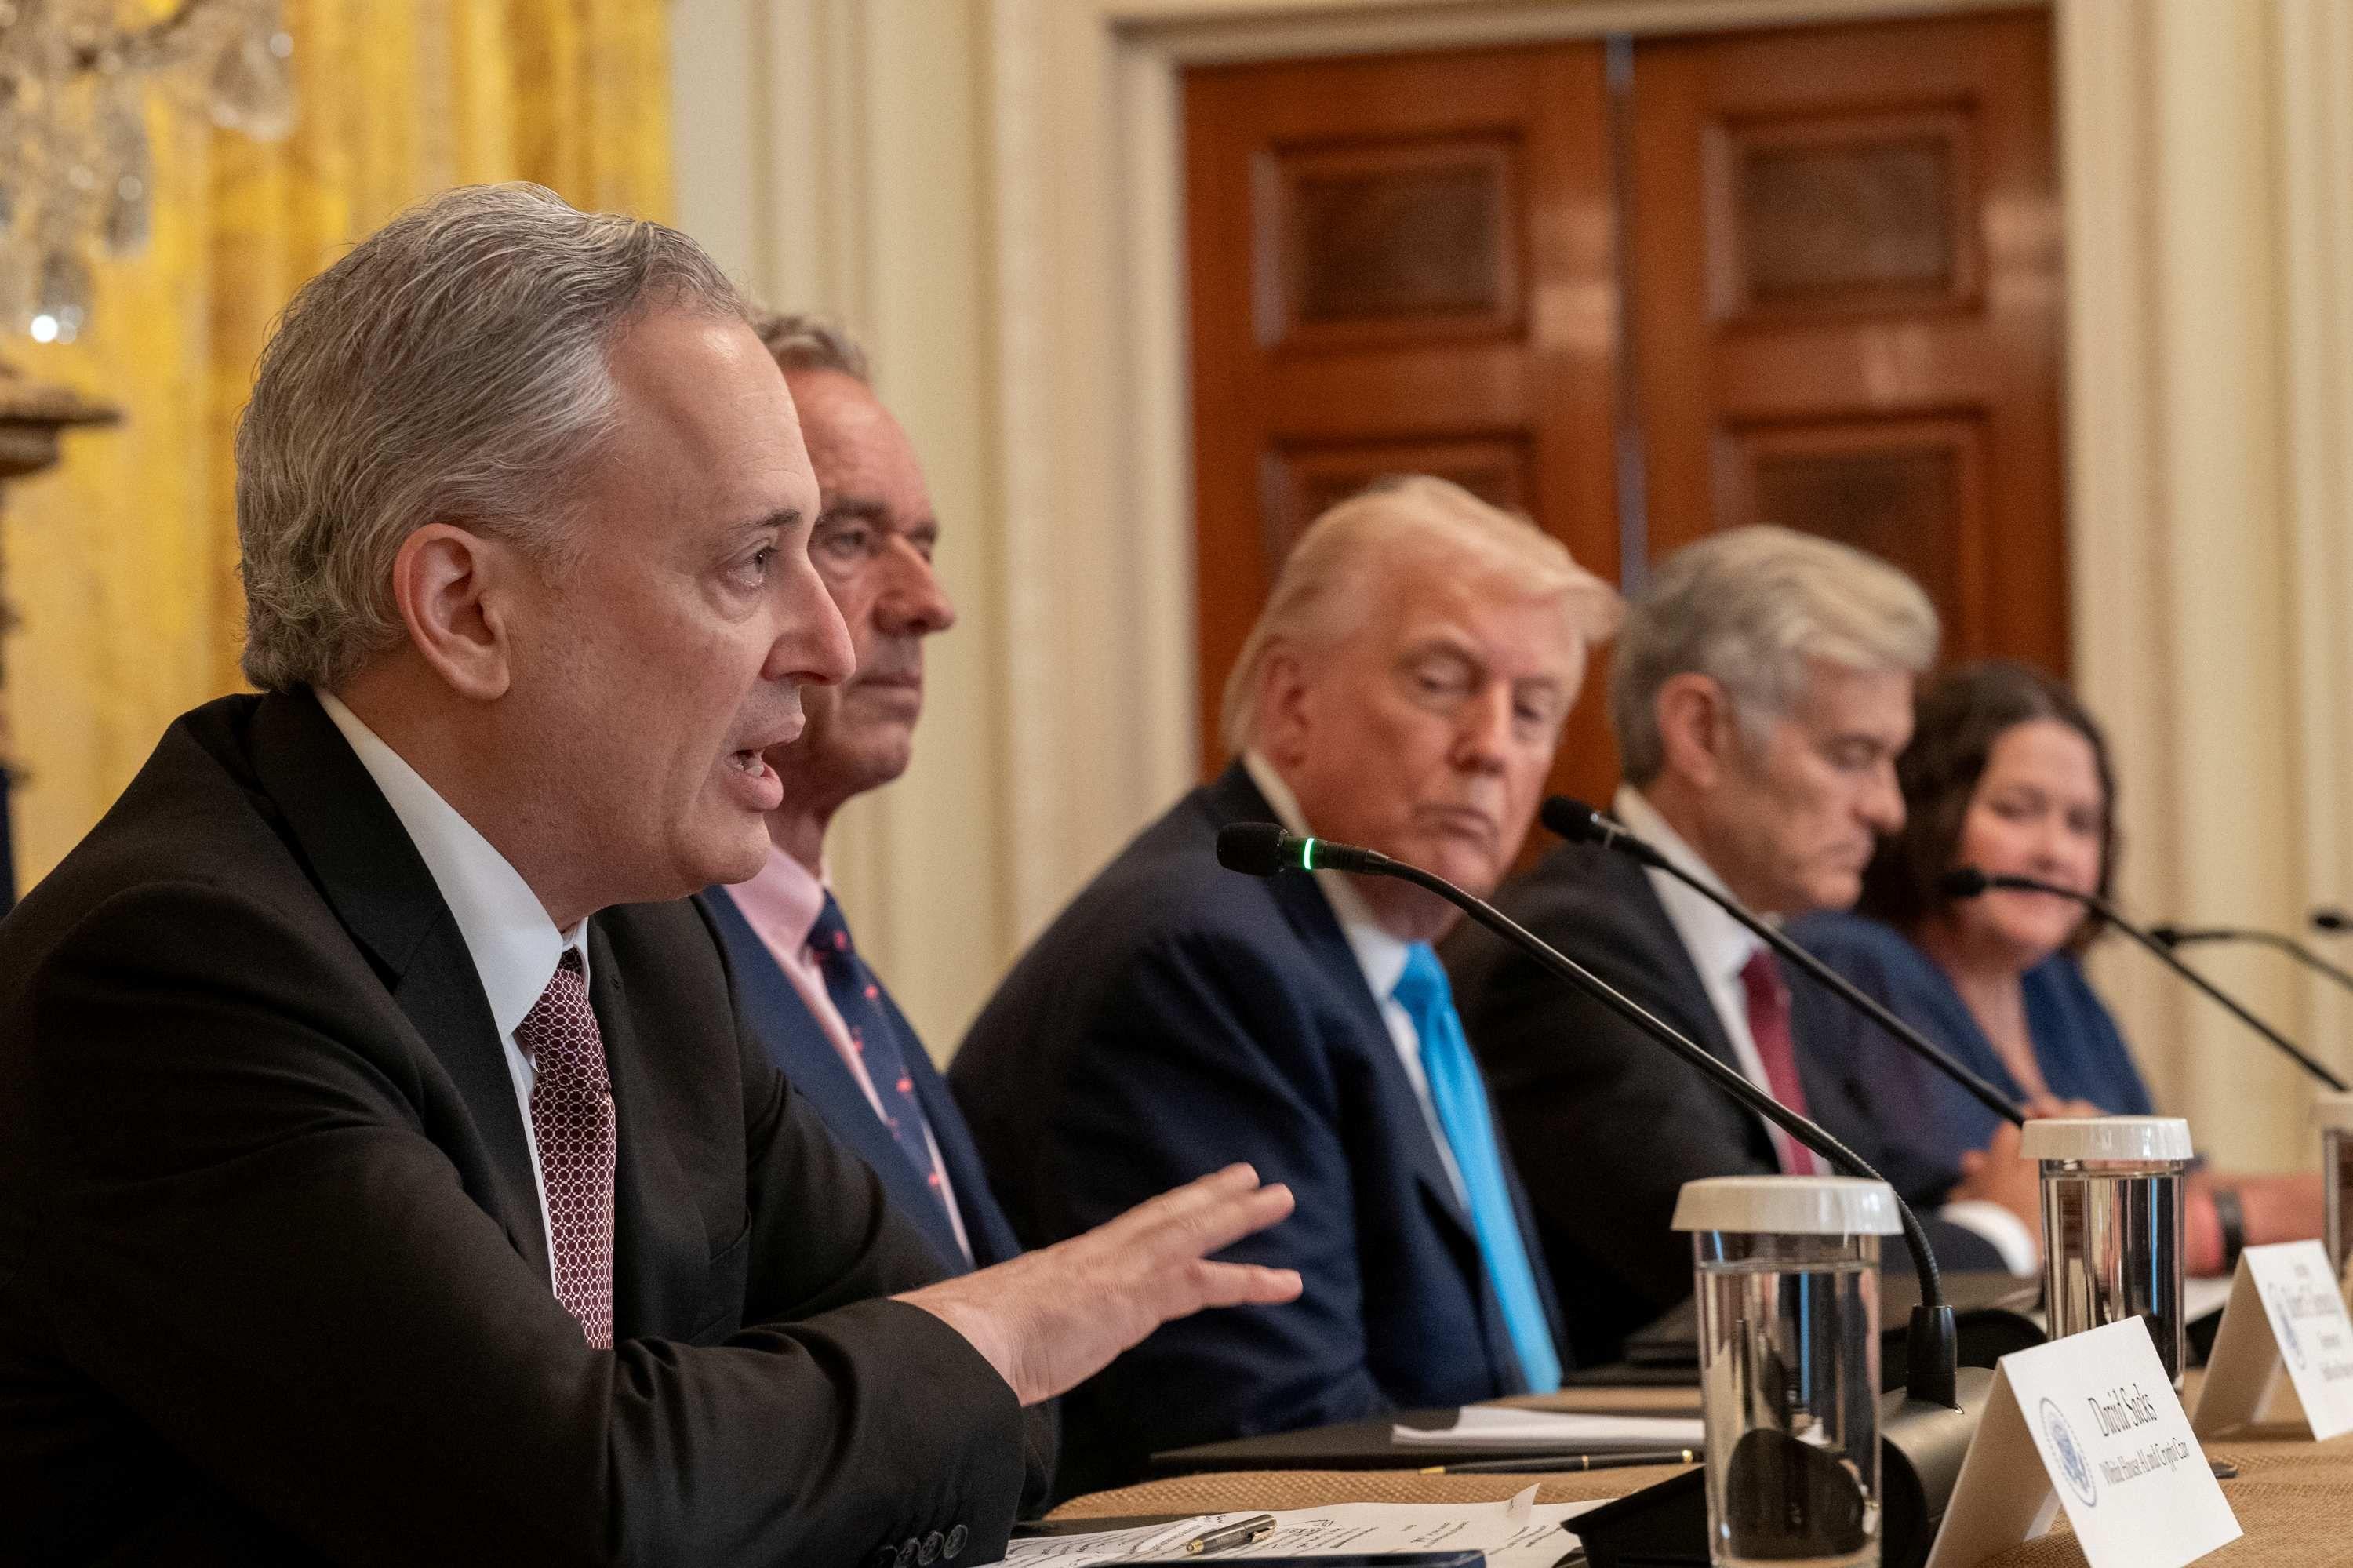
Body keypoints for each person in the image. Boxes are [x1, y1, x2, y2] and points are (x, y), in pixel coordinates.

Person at [0, 184, 1301, 1566]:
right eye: (752, 561)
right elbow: (582, 1503)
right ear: (464, 606)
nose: (830, 642)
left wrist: (937, 1371)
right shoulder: (177, 971)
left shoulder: (649, 944)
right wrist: (996, 1329)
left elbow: (997, 1426)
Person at [952, 478, 1623, 1495]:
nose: (1494, 746)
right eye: (1443, 680)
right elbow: (1282, 1447)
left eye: (1534, 711)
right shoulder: (1208, 957)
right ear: (1291, 699)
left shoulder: (1385, 956)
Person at [1447, 526, 2030, 1369]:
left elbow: (1874, 1199)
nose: (1888, 809)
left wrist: (2019, 1176)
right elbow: (1760, 1271)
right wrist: (2006, 1229)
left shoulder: (1766, 954)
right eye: (1852, 756)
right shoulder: (1566, 954)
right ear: (1700, 731)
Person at [1791, 659, 2323, 1276]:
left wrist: (2310, 1196)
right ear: (1934, 812)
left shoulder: (2056, 987)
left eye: (2081, 824)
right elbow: (2037, 1222)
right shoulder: (1852, 962)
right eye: (2016, 810)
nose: (2053, 851)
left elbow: (2163, 1184)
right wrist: (2241, 1220)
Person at [696, 315, 1020, 1279]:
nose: (932, 602)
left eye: (922, 543)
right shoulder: (644, 967)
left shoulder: (825, 956)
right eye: (850, 539)